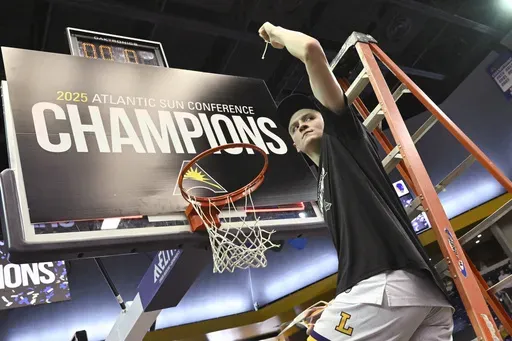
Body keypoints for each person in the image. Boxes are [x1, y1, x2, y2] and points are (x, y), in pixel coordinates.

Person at [258, 22, 454, 340]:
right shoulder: (323, 179)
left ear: (328, 117)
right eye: (294, 127)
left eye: (309, 116)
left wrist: (276, 32)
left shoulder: (342, 139)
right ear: (293, 145)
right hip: (423, 299)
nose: (302, 125)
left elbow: (310, 50)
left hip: (387, 288)